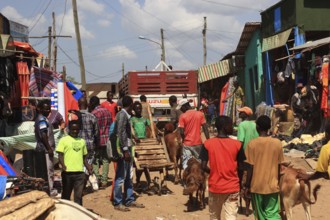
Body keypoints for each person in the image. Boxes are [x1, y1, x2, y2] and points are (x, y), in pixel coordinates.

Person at [200, 116, 245, 220]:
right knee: (231, 216)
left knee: (214, 216)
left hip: (215, 186)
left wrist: (213, 172)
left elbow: (202, 166)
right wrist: (239, 182)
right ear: (224, 127)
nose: (232, 127)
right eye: (230, 125)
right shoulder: (237, 145)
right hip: (232, 187)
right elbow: (241, 167)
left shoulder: (208, 144)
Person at [244, 115, 284, 220]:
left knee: (260, 215)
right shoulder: (277, 143)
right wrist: (278, 182)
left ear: (257, 127)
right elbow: (279, 166)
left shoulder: (251, 144)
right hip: (272, 185)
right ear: (269, 127)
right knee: (273, 214)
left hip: (256, 186)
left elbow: (250, 168)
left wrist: (247, 185)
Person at [113, 96, 145, 211]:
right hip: (123, 151)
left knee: (128, 177)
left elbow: (125, 133)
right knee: (121, 177)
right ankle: (117, 202)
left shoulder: (125, 115)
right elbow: (120, 132)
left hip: (128, 150)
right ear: (131, 105)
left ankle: (129, 200)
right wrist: (125, 150)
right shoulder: (122, 115)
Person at [57, 119, 93, 205]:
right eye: (73, 129)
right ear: (69, 129)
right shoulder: (63, 140)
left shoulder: (82, 141)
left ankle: (78, 213)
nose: (75, 131)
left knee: (78, 196)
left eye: (77, 129)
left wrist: (88, 167)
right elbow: (60, 155)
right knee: (66, 196)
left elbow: (84, 157)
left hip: (80, 174)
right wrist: (63, 165)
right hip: (67, 173)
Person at [177, 99, 210, 170]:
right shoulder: (200, 114)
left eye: (181, 108)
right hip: (198, 143)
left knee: (186, 163)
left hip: (187, 144)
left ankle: (187, 177)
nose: (181, 110)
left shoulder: (182, 116)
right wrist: (208, 140)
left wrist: (183, 140)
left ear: (185, 106)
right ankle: (201, 177)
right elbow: (205, 128)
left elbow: (182, 131)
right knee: (200, 162)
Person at [34, 99, 57, 196]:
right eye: (46, 109)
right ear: (39, 109)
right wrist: (49, 148)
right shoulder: (42, 120)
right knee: (49, 170)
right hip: (45, 150)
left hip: (43, 149)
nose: (48, 111)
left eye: (49, 109)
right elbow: (43, 135)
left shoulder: (41, 118)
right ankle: (50, 190)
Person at [89, 96, 112, 187]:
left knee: (95, 160)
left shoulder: (94, 113)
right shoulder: (108, 112)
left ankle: (97, 179)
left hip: (97, 140)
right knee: (106, 160)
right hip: (107, 139)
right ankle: (104, 180)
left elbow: (94, 129)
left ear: (92, 103)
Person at [130, 101, 150, 186]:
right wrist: (134, 137)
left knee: (145, 163)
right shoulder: (132, 120)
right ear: (134, 110)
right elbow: (130, 131)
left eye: (140, 109)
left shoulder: (145, 120)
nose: (139, 110)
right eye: (137, 109)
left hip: (144, 143)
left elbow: (152, 128)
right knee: (138, 164)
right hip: (136, 144)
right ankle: (137, 180)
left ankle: (147, 181)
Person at [78, 97, 100, 175]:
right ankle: (86, 178)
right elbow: (96, 133)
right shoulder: (92, 117)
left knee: (79, 165)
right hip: (90, 146)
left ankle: (82, 182)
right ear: (87, 105)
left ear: (78, 105)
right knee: (89, 164)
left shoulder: (73, 116)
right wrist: (97, 145)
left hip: (77, 146)